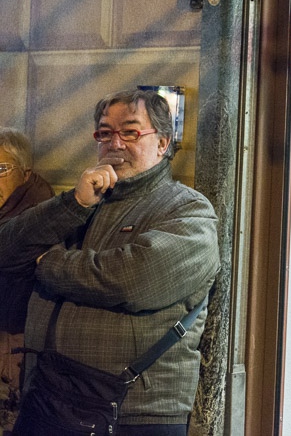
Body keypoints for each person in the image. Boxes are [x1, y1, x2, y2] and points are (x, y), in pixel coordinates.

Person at [0, 89, 220, 434]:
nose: (115, 143)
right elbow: (7, 250)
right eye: (105, 133)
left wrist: (47, 263)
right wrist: (73, 203)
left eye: (130, 132)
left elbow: (130, 280)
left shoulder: (188, 210)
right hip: (48, 398)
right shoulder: (85, 201)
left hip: (133, 413)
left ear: (162, 144)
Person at [0, 129, 53, 435]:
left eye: (1, 169)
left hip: (16, 342)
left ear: (26, 173)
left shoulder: (36, 214)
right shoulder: (9, 206)